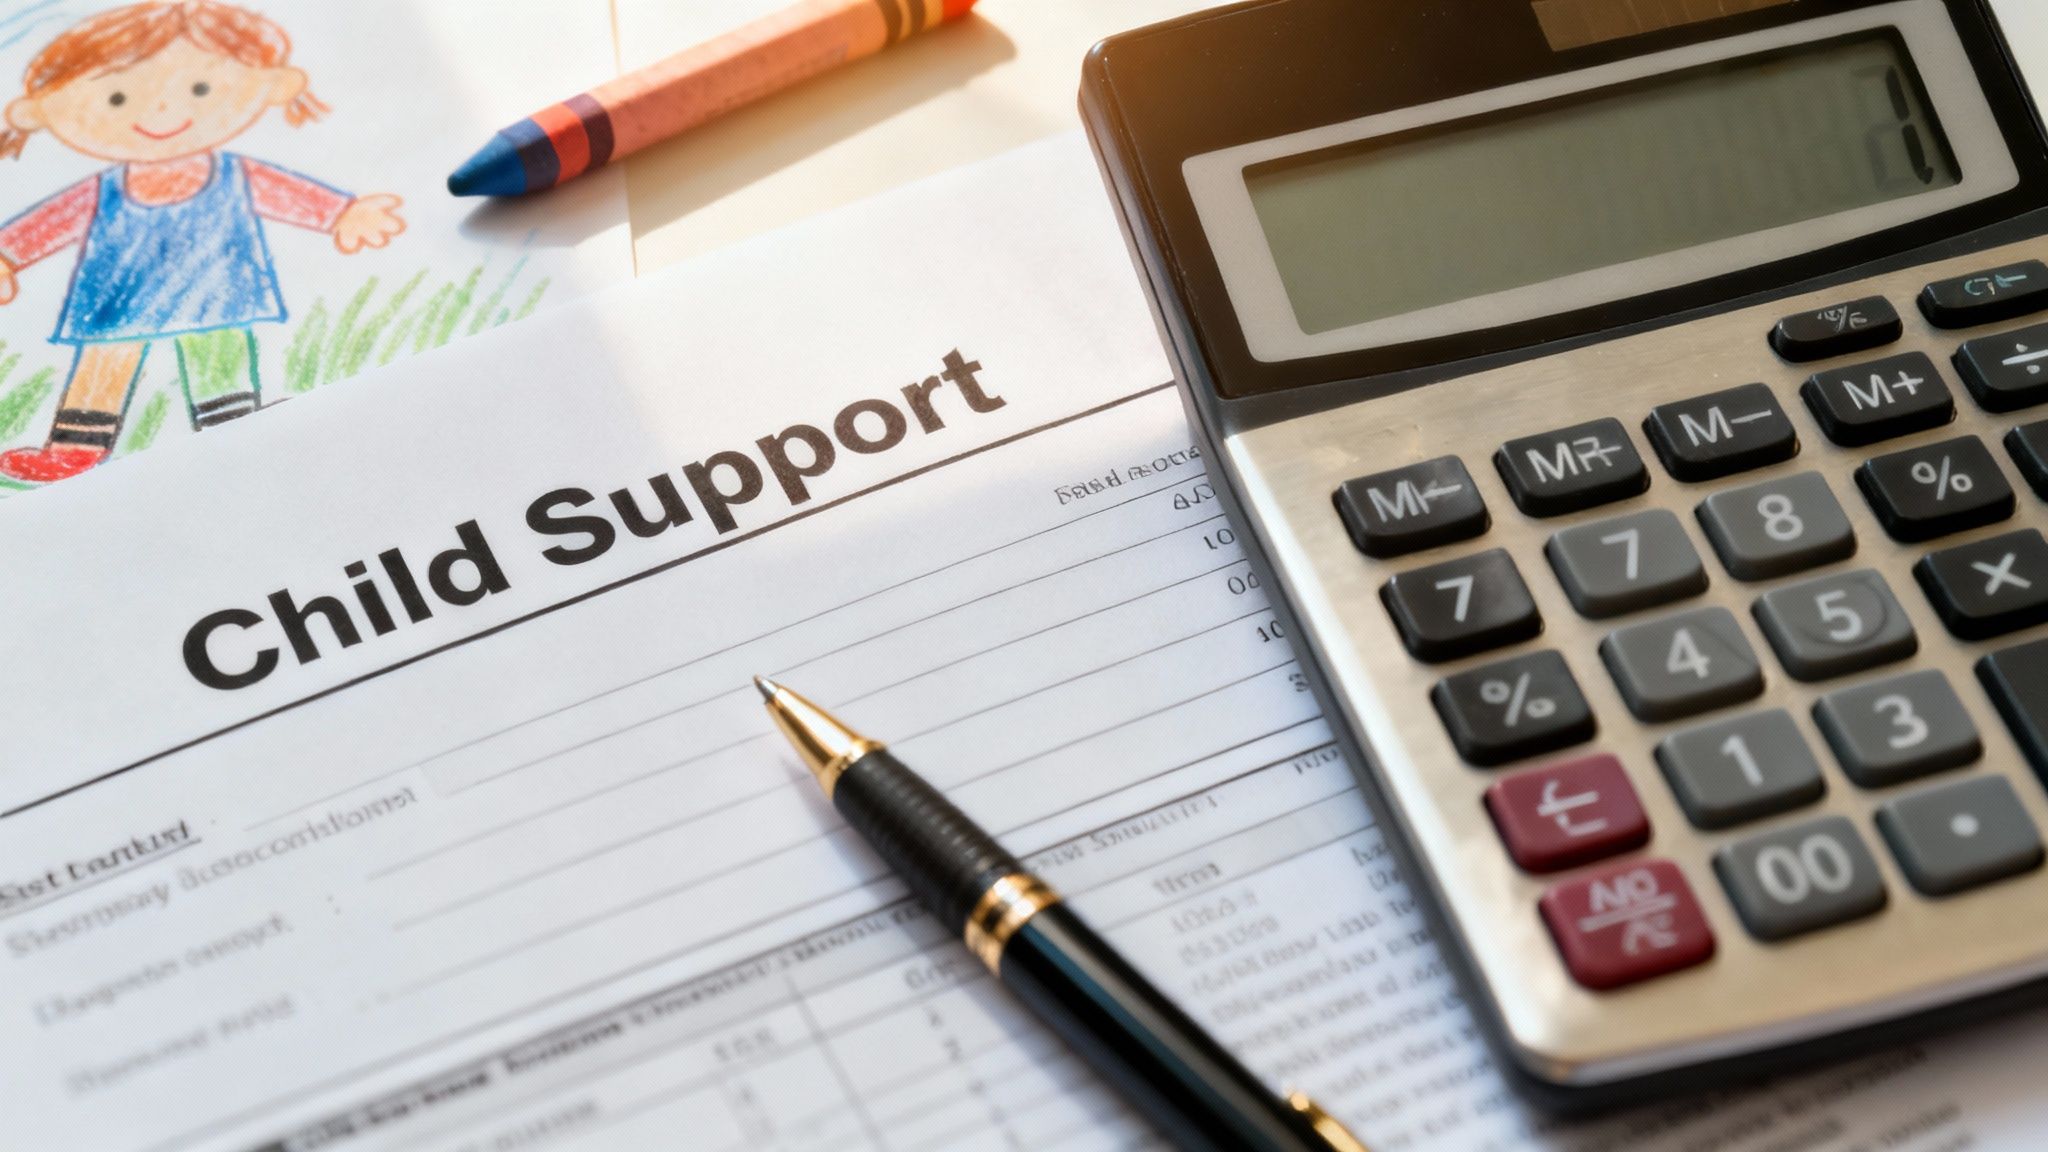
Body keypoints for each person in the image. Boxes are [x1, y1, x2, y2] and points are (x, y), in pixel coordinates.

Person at [0, 1, 405, 485]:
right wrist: (7, 257)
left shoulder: (235, 174)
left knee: (218, 357)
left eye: (199, 88)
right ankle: (73, 449)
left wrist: (343, 214)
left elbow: (287, 194)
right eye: (117, 98)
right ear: (40, 112)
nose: (162, 111)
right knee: (103, 364)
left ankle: (236, 429)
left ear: (273, 84)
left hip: (214, 291)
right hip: (118, 298)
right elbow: (48, 223)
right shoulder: (101, 191)